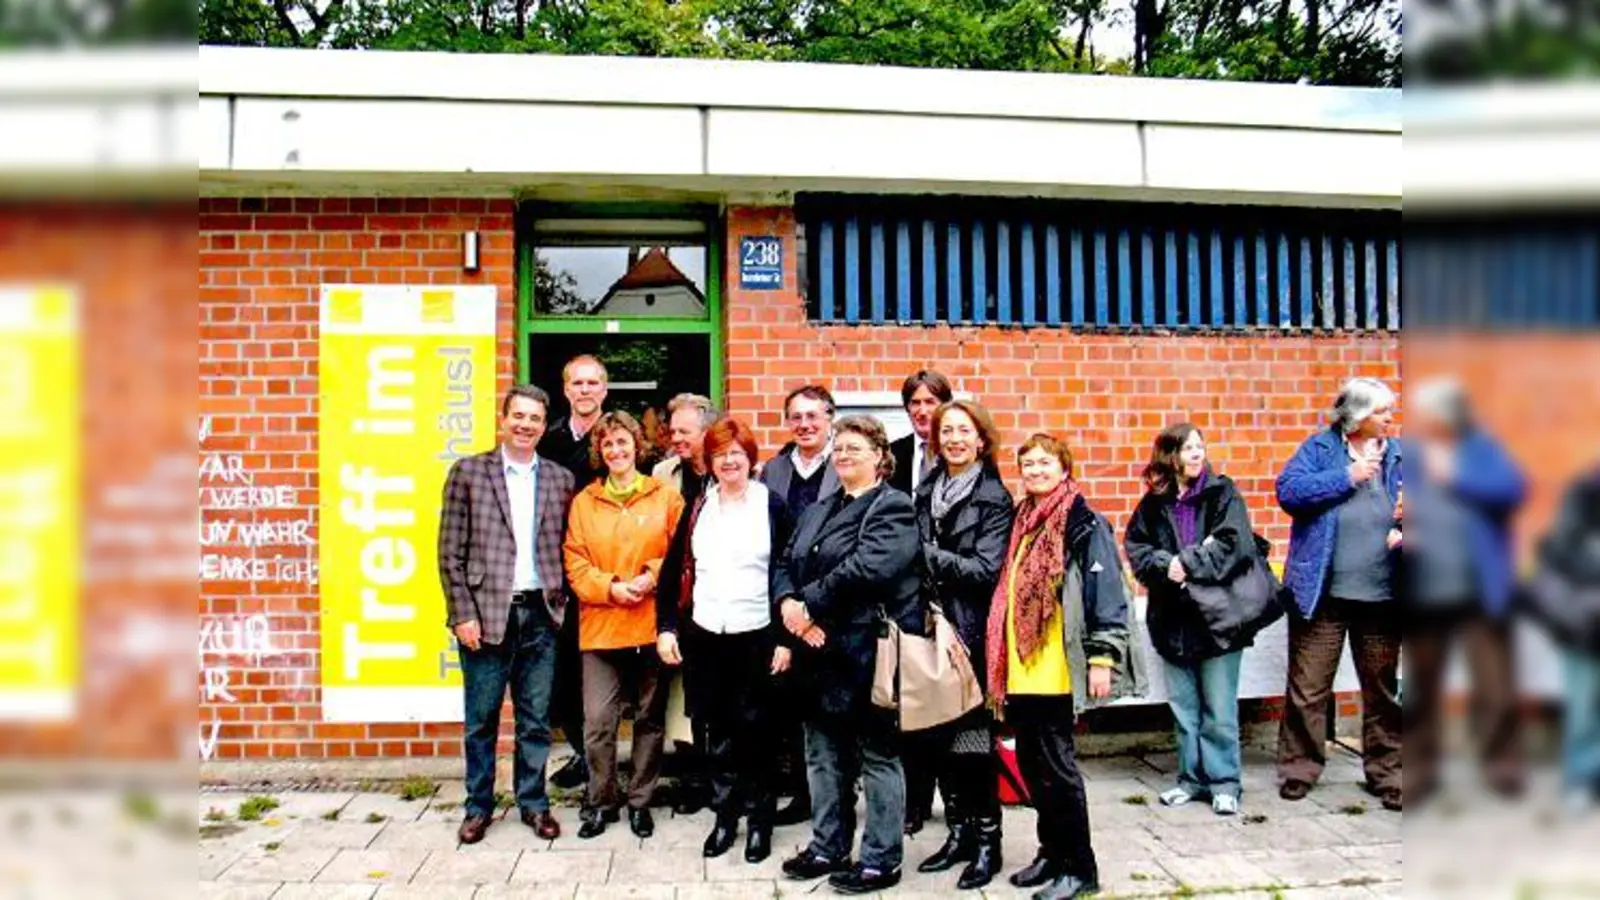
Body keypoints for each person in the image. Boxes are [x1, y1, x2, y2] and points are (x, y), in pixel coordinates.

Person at [989, 433, 1143, 900]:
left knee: (1058, 769)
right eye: (1028, 464)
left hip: (1058, 666)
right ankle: (1051, 854)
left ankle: (1080, 868)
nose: (1035, 471)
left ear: (1064, 467)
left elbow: (1107, 593)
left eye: (1045, 463)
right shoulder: (1022, 519)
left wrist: (1102, 657)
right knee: (1032, 765)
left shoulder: (1082, 521)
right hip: (1022, 667)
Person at [775, 415, 922, 895]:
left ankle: (881, 859)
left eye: (854, 448)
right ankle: (828, 846)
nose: (843, 456)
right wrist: (789, 605)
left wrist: (809, 605)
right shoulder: (820, 509)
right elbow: (786, 560)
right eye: (838, 449)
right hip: (815, 652)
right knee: (821, 754)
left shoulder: (893, 507)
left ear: (880, 456)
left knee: (877, 756)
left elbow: (869, 569)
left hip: (866, 651)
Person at [437, 385, 577, 845]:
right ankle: (478, 806)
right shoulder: (469, 473)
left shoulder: (559, 479)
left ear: (543, 426)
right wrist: (462, 613)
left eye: (534, 418)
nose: (525, 425)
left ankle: (533, 803)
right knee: (481, 719)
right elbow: (449, 552)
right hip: (486, 613)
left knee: (536, 719)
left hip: (541, 613)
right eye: (518, 416)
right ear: (503, 419)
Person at [657, 417, 797, 863]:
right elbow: (674, 570)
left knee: (757, 734)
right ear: (710, 462)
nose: (729, 461)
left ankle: (759, 821)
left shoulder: (771, 505)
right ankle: (724, 817)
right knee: (715, 733)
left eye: (737, 453)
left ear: (750, 458)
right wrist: (666, 627)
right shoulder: (699, 506)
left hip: (756, 635)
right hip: (706, 636)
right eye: (720, 455)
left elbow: (788, 572)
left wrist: (785, 640)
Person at [1274, 377, 1404, 811]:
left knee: (1382, 690)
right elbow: (1288, 492)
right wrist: (1348, 476)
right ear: (1358, 416)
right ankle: (1299, 771)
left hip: (1384, 595)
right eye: (1382, 411)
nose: (1390, 418)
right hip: (1322, 594)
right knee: (1308, 688)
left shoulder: (1403, 455)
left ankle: (1389, 774)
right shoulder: (1320, 450)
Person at [1402, 378, 1527, 804]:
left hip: (1479, 593)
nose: (1426, 422)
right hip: (1426, 592)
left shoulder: (1481, 450)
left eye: (1431, 414)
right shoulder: (1412, 454)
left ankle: (1502, 768)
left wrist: (1457, 476)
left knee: (1495, 687)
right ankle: (1420, 773)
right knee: (1423, 690)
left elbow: (1512, 491)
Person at [1124, 423, 1258, 816]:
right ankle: (1191, 779)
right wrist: (1165, 563)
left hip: (1219, 618)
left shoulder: (1223, 494)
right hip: (1172, 619)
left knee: (1219, 709)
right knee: (1184, 707)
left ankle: (1224, 783)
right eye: (1187, 448)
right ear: (1170, 455)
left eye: (1200, 446)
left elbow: (1234, 543)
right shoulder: (1154, 503)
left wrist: (1187, 562)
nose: (1197, 454)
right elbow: (1137, 547)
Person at [563, 411, 685, 839]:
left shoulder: (664, 496)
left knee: (650, 719)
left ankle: (640, 801)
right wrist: (611, 587)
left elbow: (681, 552)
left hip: (651, 624)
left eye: (623, 442)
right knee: (599, 721)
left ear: (637, 446)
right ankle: (601, 800)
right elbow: (575, 561)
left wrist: (652, 577)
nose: (616, 450)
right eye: (608, 444)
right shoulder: (584, 502)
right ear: (600, 451)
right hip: (601, 625)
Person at [910, 399, 1014, 890]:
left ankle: (988, 842)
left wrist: (924, 554)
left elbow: (984, 570)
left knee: (972, 744)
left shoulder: (993, 498)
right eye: (946, 431)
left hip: (970, 632)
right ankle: (958, 834)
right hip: (930, 627)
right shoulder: (926, 489)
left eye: (963, 431)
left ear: (981, 440)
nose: (953, 439)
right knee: (938, 741)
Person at [758, 384, 841, 825]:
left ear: (830, 418)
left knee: (829, 705)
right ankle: (803, 793)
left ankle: (835, 794)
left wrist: (814, 607)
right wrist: (785, 602)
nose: (804, 424)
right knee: (788, 700)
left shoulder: (843, 463)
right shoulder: (773, 470)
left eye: (813, 416)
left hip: (831, 603)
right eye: (796, 417)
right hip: (783, 598)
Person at [541, 354, 611, 791]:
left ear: (605, 389)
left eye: (593, 383)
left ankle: (606, 758)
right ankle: (584, 754)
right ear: (566, 390)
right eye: (577, 383)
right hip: (560, 573)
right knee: (562, 675)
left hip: (611, 574)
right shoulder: (548, 442)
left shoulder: (618, 437)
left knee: (608, 675)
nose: (585, 390)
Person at [650, 392, 719, 816]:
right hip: (679, 598)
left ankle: (722, 778)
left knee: (719, 691)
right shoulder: (663, 474)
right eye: (672, 431)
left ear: (707, 432)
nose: (675, 438)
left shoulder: (731, 468)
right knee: (681, 694)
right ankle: (693, 778)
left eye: (684, 431)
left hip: (721, 598)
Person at [1535, 461, 1600, 814]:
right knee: (1583, 710)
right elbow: (1560, 549)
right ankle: (1580, 782)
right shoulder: (1584, 492)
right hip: (1585, 624)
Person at [889, 369, 955, 497]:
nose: (922, 411)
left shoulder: (959, 451)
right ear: (907, 408)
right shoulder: (891, 454)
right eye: (915, 403)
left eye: (930, 402)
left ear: (945, 406)